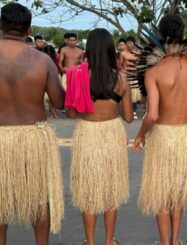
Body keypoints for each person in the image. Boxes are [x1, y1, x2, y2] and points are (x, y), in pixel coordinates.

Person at [133, 14, 187, 245]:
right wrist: (185, 101)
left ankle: (165, 243)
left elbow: (153, 115)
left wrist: (139, 136)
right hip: (185, 134)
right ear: (183, 36)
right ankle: (176, 241)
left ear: (161, 38)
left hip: (163, 135)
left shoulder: (154, 71)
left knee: (161, 191)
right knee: (178, 192)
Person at [0, 3, 65, 244]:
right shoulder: (43, 61)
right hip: (34, 137)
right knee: (39, 199)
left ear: (0, 25)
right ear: (28, 28)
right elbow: (58, 103)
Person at [69, 28, 133, 245]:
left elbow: (71, 113)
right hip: (112, 132)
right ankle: (108, 241)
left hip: (87, 132)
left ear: (88, 50)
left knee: (88, 191)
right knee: (111, 191)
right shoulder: (121, 78)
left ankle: (90, 242)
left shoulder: (78, 75)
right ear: (110, 50)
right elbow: (129, 118)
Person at [58, 32, 84, 117]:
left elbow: (82, 63)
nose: (72, 42)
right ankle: (66, 108)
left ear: (76, 41)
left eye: (74, 40)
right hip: (66, 73)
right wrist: (62, 68)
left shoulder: (80, 51)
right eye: (70, 40)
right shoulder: (63, 50)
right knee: (65, 90)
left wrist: (81, 66)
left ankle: (75, 109)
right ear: (67, 41)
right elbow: (60, 62)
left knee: (77, 92)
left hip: (77, 74)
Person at [119, 35, 141, 119]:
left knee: (134, 95)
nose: (129, 45)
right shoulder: (122, 54)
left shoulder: (137, 54)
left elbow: (139, 65)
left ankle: (134, 110)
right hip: (125, 77)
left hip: (134, 76)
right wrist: (123, 72)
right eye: (127, 43)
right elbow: (120, 65)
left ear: (134, 44)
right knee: (126, 94)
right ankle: (126, 110)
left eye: (130, 43)